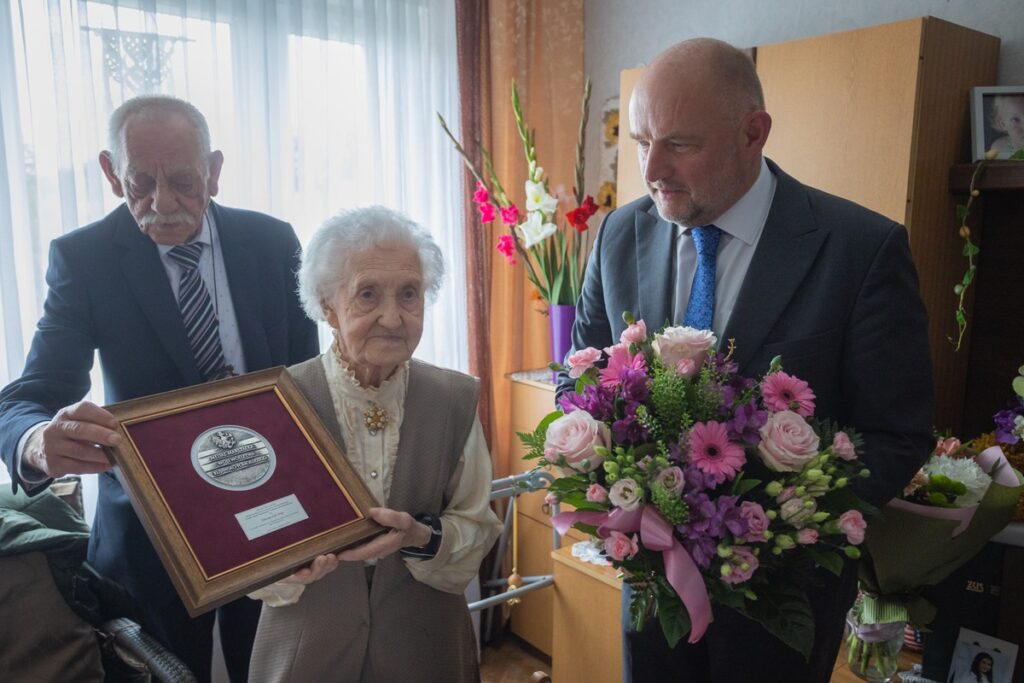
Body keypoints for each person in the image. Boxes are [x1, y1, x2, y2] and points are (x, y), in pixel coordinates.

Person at [559, 38, 934, 682]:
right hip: (651, 580)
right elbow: (584, 381)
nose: (651, 168)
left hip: (785, 596)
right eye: (642, 139)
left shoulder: (860, 250)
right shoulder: (621, 233)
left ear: (753, 132)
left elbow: (897, 434)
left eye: (679, 143)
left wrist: (784, 526)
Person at [0, 95, 319, 681]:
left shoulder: (275, 243)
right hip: (152, 539)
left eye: (183, 181)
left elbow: (306, 382)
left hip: (274, 516)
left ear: (215, 171)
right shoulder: (84, 258)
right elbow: (26, 396)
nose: (162, 202)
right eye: (140, 182)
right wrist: (38, 442)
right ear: (109, 172)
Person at [246, 206, 502, 683]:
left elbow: (477, 525)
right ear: (327, 305)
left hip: (426, 647)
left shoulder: (454, 399)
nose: (393, 316)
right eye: (368, 294)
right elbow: (248, 543)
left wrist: (421, 537)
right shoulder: (276, 402)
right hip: (306, 648)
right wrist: (284, 569)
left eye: (410, 294)